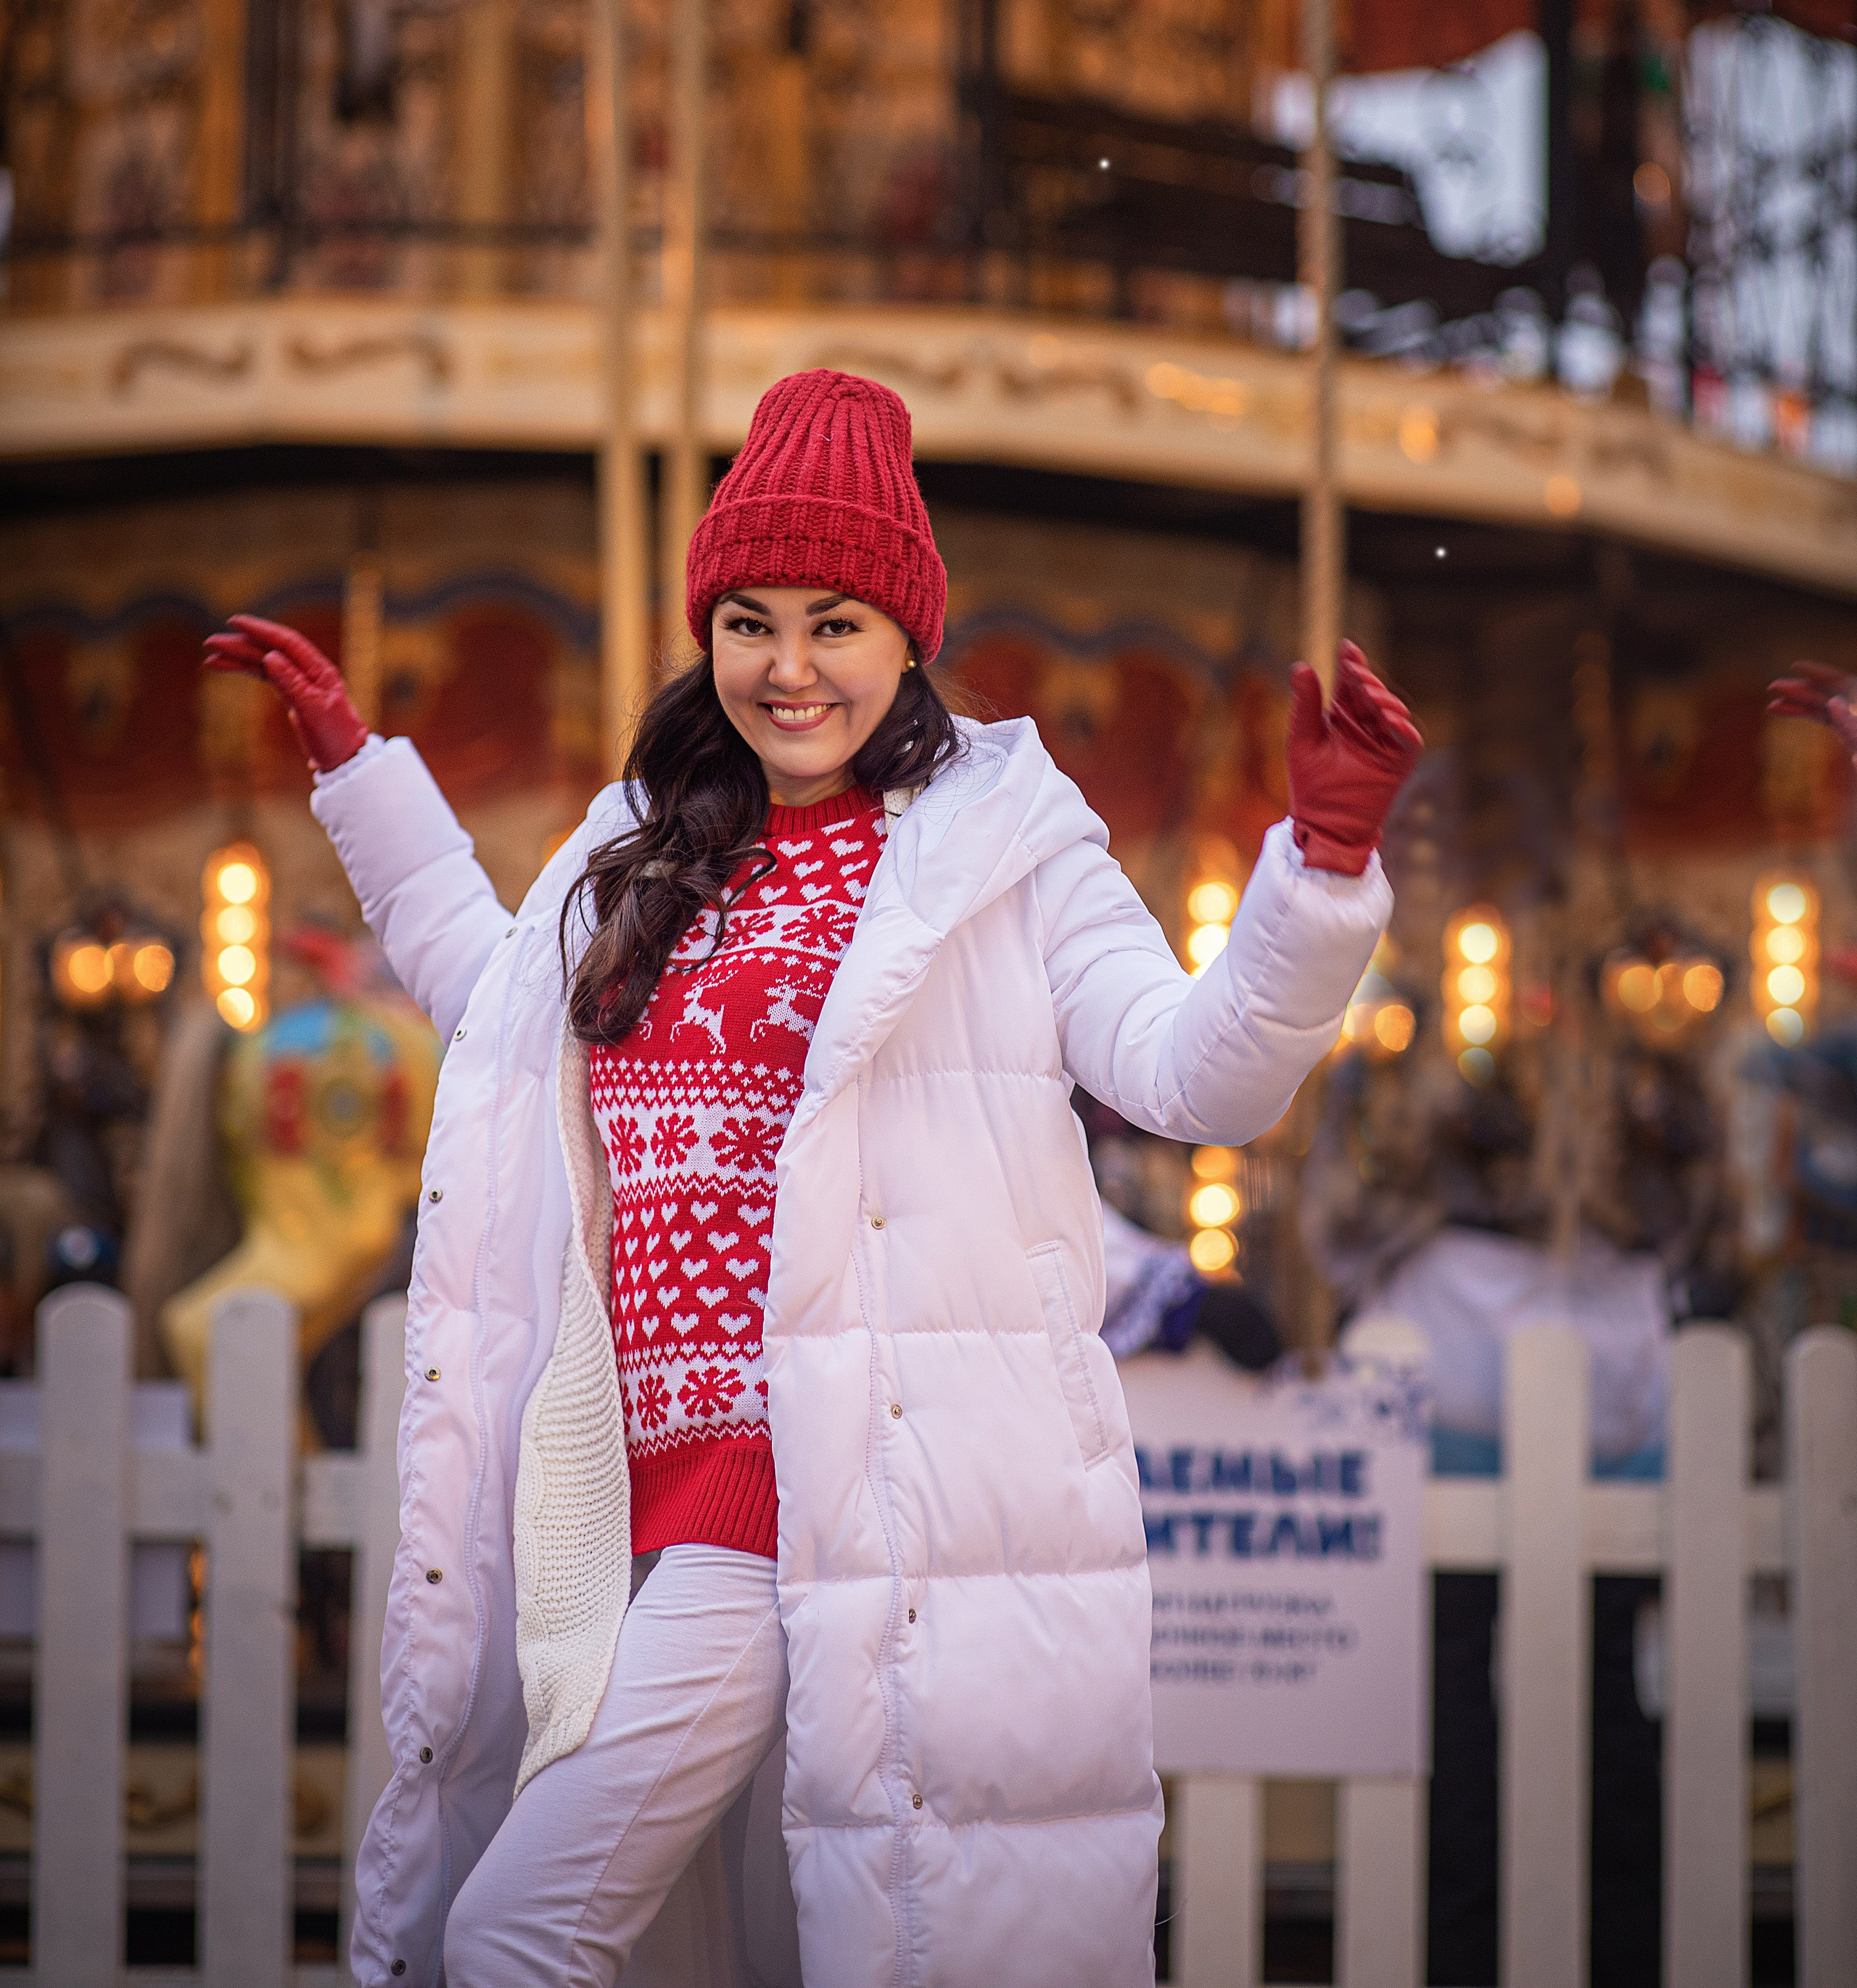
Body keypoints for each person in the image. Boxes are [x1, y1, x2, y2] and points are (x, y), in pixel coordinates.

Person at [205, 368, 1420, 1988]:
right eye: (751, 621)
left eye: (835, 621)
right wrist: (361, 775)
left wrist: (1319, 874)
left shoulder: (1004, 851)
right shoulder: (647, 844)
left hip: (783, 1492)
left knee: (513, 1930)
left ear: (908, 634)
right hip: (620, 1493)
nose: (788, 669)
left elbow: (1196, 1074)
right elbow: (496, 1015)